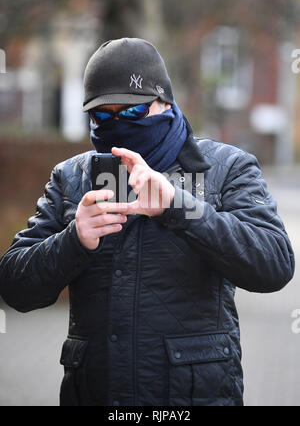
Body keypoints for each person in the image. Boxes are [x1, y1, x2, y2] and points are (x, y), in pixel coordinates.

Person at [0, 38, 295, 407]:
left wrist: (179, 207)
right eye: (102, 116)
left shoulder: (225, 168)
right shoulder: (71, 178)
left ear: (164, 102)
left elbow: (275, 264)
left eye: (131, 112)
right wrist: (73, 239)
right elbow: (12, 285)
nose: (116, 124)